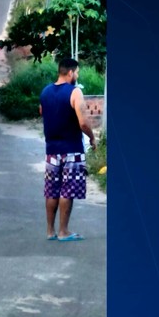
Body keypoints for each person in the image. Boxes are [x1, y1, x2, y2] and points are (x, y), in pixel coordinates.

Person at [39, 58, 96, 242]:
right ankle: (63, 231)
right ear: (70, 73)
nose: (77, 75)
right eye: (77, 72)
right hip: (71, 148)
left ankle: (50, 231)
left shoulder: (45, 92)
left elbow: (42, 112)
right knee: (67, 190)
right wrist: (92, 137)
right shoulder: (75, 92)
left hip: (51, 150)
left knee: (52, 191)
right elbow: (83, 122)